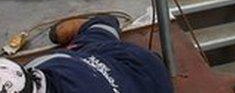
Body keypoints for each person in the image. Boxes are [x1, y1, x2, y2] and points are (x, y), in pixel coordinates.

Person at [0, 15, 171, 93]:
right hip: (113, 61)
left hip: (133, 65)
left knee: (95, 34)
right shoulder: (42, 65)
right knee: (99, 30)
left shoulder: (48, 63)